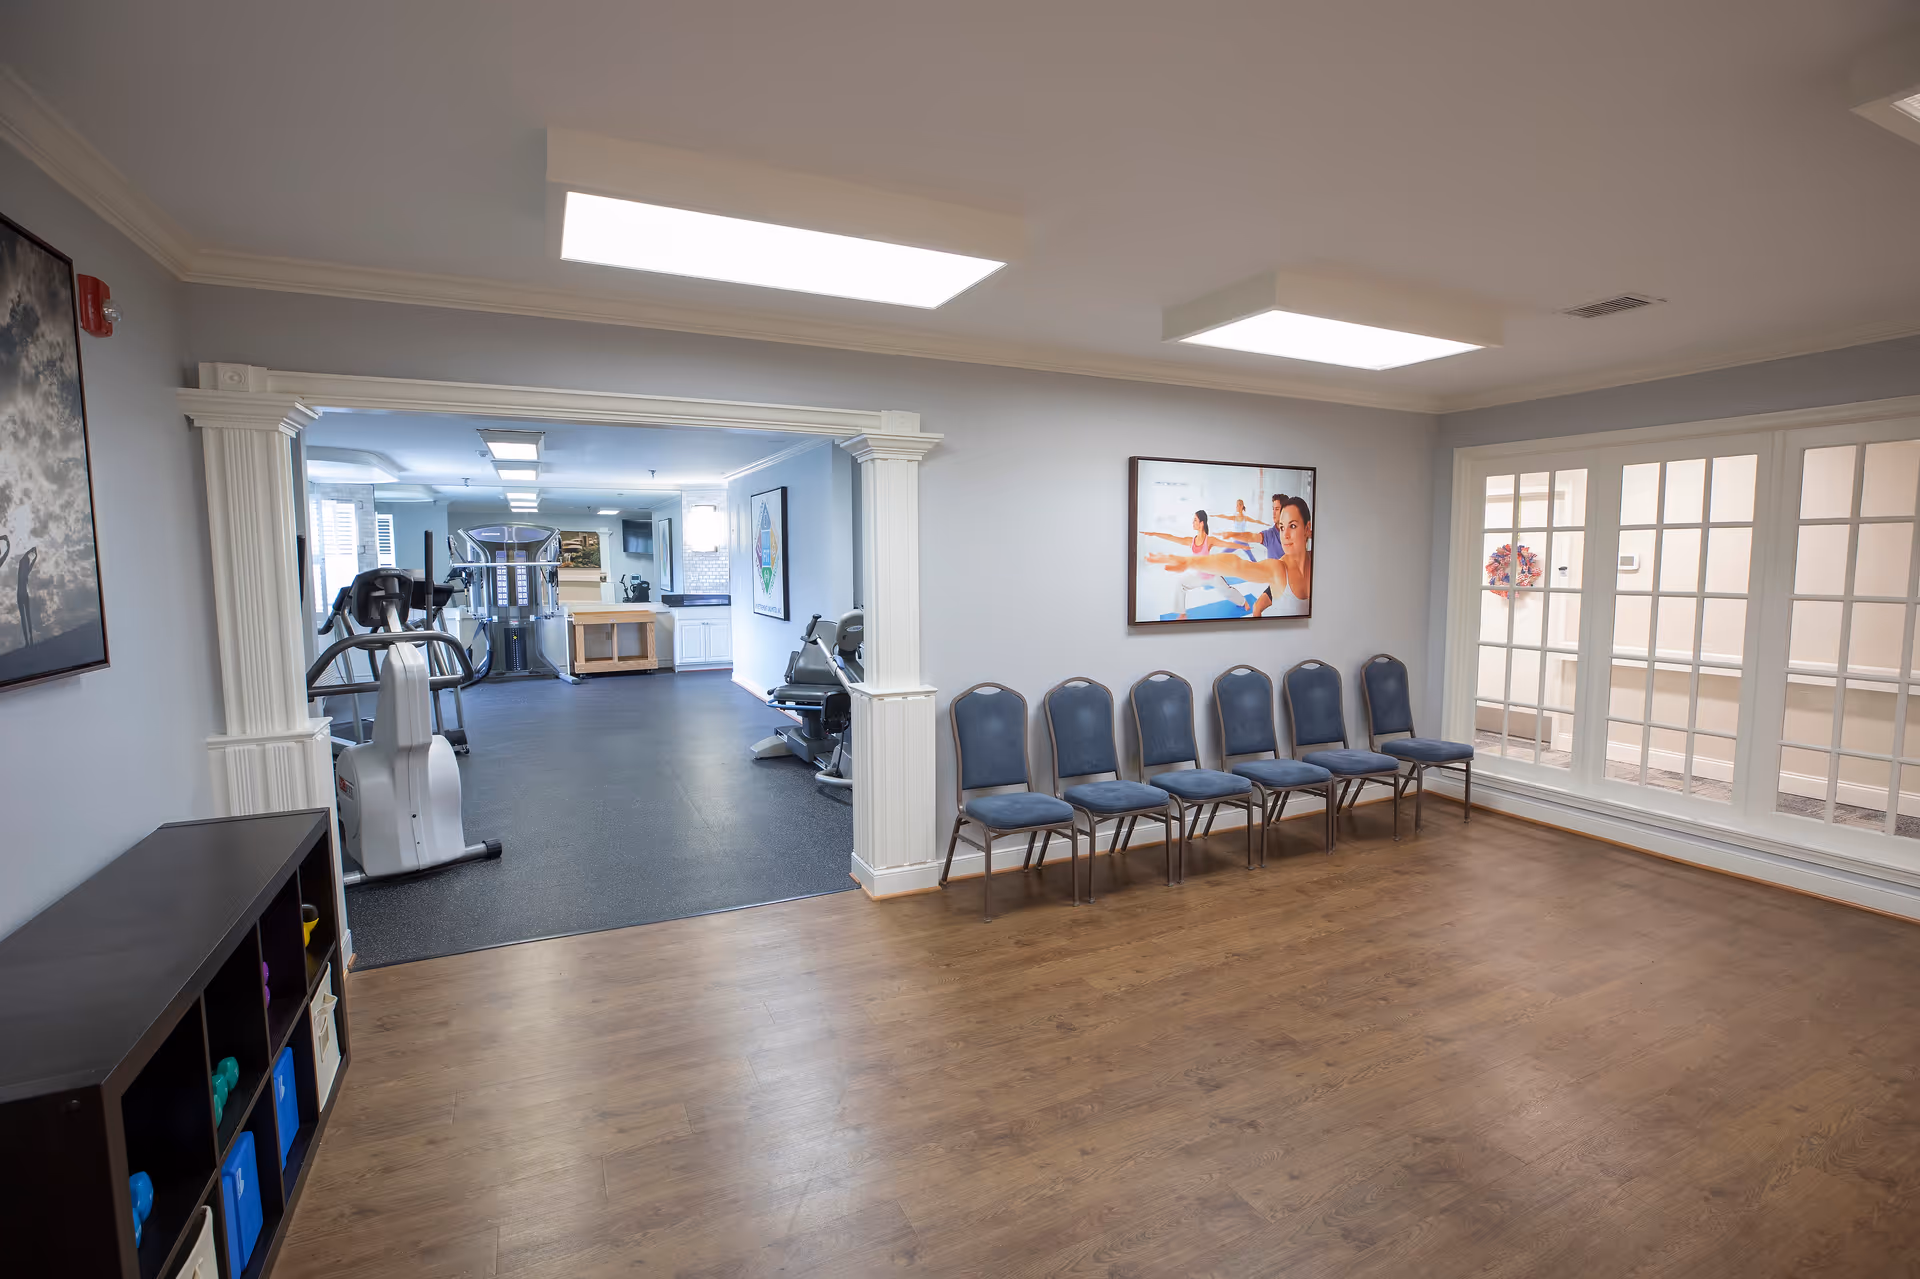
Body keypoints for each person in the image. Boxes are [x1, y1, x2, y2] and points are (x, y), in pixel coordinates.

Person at [1150, 493, 1311, 616]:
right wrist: (1190, 561)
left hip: (1217, 570)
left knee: (1238, 576)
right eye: (1282, 527)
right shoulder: (1278, 567)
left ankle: (1243, 602)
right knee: (1251, 576)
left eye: (1293, 526)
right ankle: (1182, 613)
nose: (1286, 535)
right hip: (1209, 570)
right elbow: (1236, 565)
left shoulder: (1317, 563)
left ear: (1307, 529)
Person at [1139, 510, 1250, 619]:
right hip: (1199, 576)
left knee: (1227, 591)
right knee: (1181, 584)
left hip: (1212, 575)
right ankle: (1182, 613)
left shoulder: (1209, 540)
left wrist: (1242, 546)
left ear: (1201, 523)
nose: (1193, 522)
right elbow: (1171, 537)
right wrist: (1154, 534)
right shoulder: (1191, 541)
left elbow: (1226, 544)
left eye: (1195, 520)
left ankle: (1243, 601)